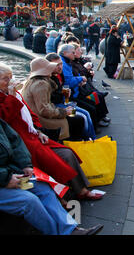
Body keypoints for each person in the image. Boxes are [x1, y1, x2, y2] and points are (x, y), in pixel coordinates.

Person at [0, 63, 103, 203]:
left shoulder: (16, 93)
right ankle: (66, 195)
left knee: (67, 152)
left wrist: (38, 130)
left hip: (32, 134)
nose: (10, 81)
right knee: (57, 155)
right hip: (23, 141)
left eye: (10, 78)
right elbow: (7, 120)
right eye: (5, 79)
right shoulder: (21, 91)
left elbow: (30, 115)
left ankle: (79, 189)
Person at [0, 118, 104, 235]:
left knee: (43, 188)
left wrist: (25, 164)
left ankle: (70, 229)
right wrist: (5, 179)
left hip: (9, 173)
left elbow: (15, 141)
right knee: (29, 201)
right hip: (4, 179)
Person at [21, 58, 85, 142]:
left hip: (39, 115)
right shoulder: (41, 84)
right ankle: (75, 143)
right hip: (42, 119)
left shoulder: (32, 81)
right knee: (79, 119)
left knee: (76, 116)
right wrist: (65, 112)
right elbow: (44, 110)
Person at [45, 53, 96, 141]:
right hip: (58, 107)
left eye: (61, 64)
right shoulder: (47, 81)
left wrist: (65, 94)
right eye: (57, 65)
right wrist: (64, 95)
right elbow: (52, 100)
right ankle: (86, 140)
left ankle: (91, 139)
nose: (60, 67)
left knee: (86, 113)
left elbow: (62, 90)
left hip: (63, 103)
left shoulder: (58, 75)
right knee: (81, 117)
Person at [59, 44, 110, 128]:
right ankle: (93, 129)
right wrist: (80, 79)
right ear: (65, 53)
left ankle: (99, 120)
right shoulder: (65, 64)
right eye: (73, 52)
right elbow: (68, 83)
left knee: (94, 101)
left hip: (73, 93)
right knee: (87, 111)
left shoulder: (68, 63)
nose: (75, 53)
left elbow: (68, 83)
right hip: (71, 97)